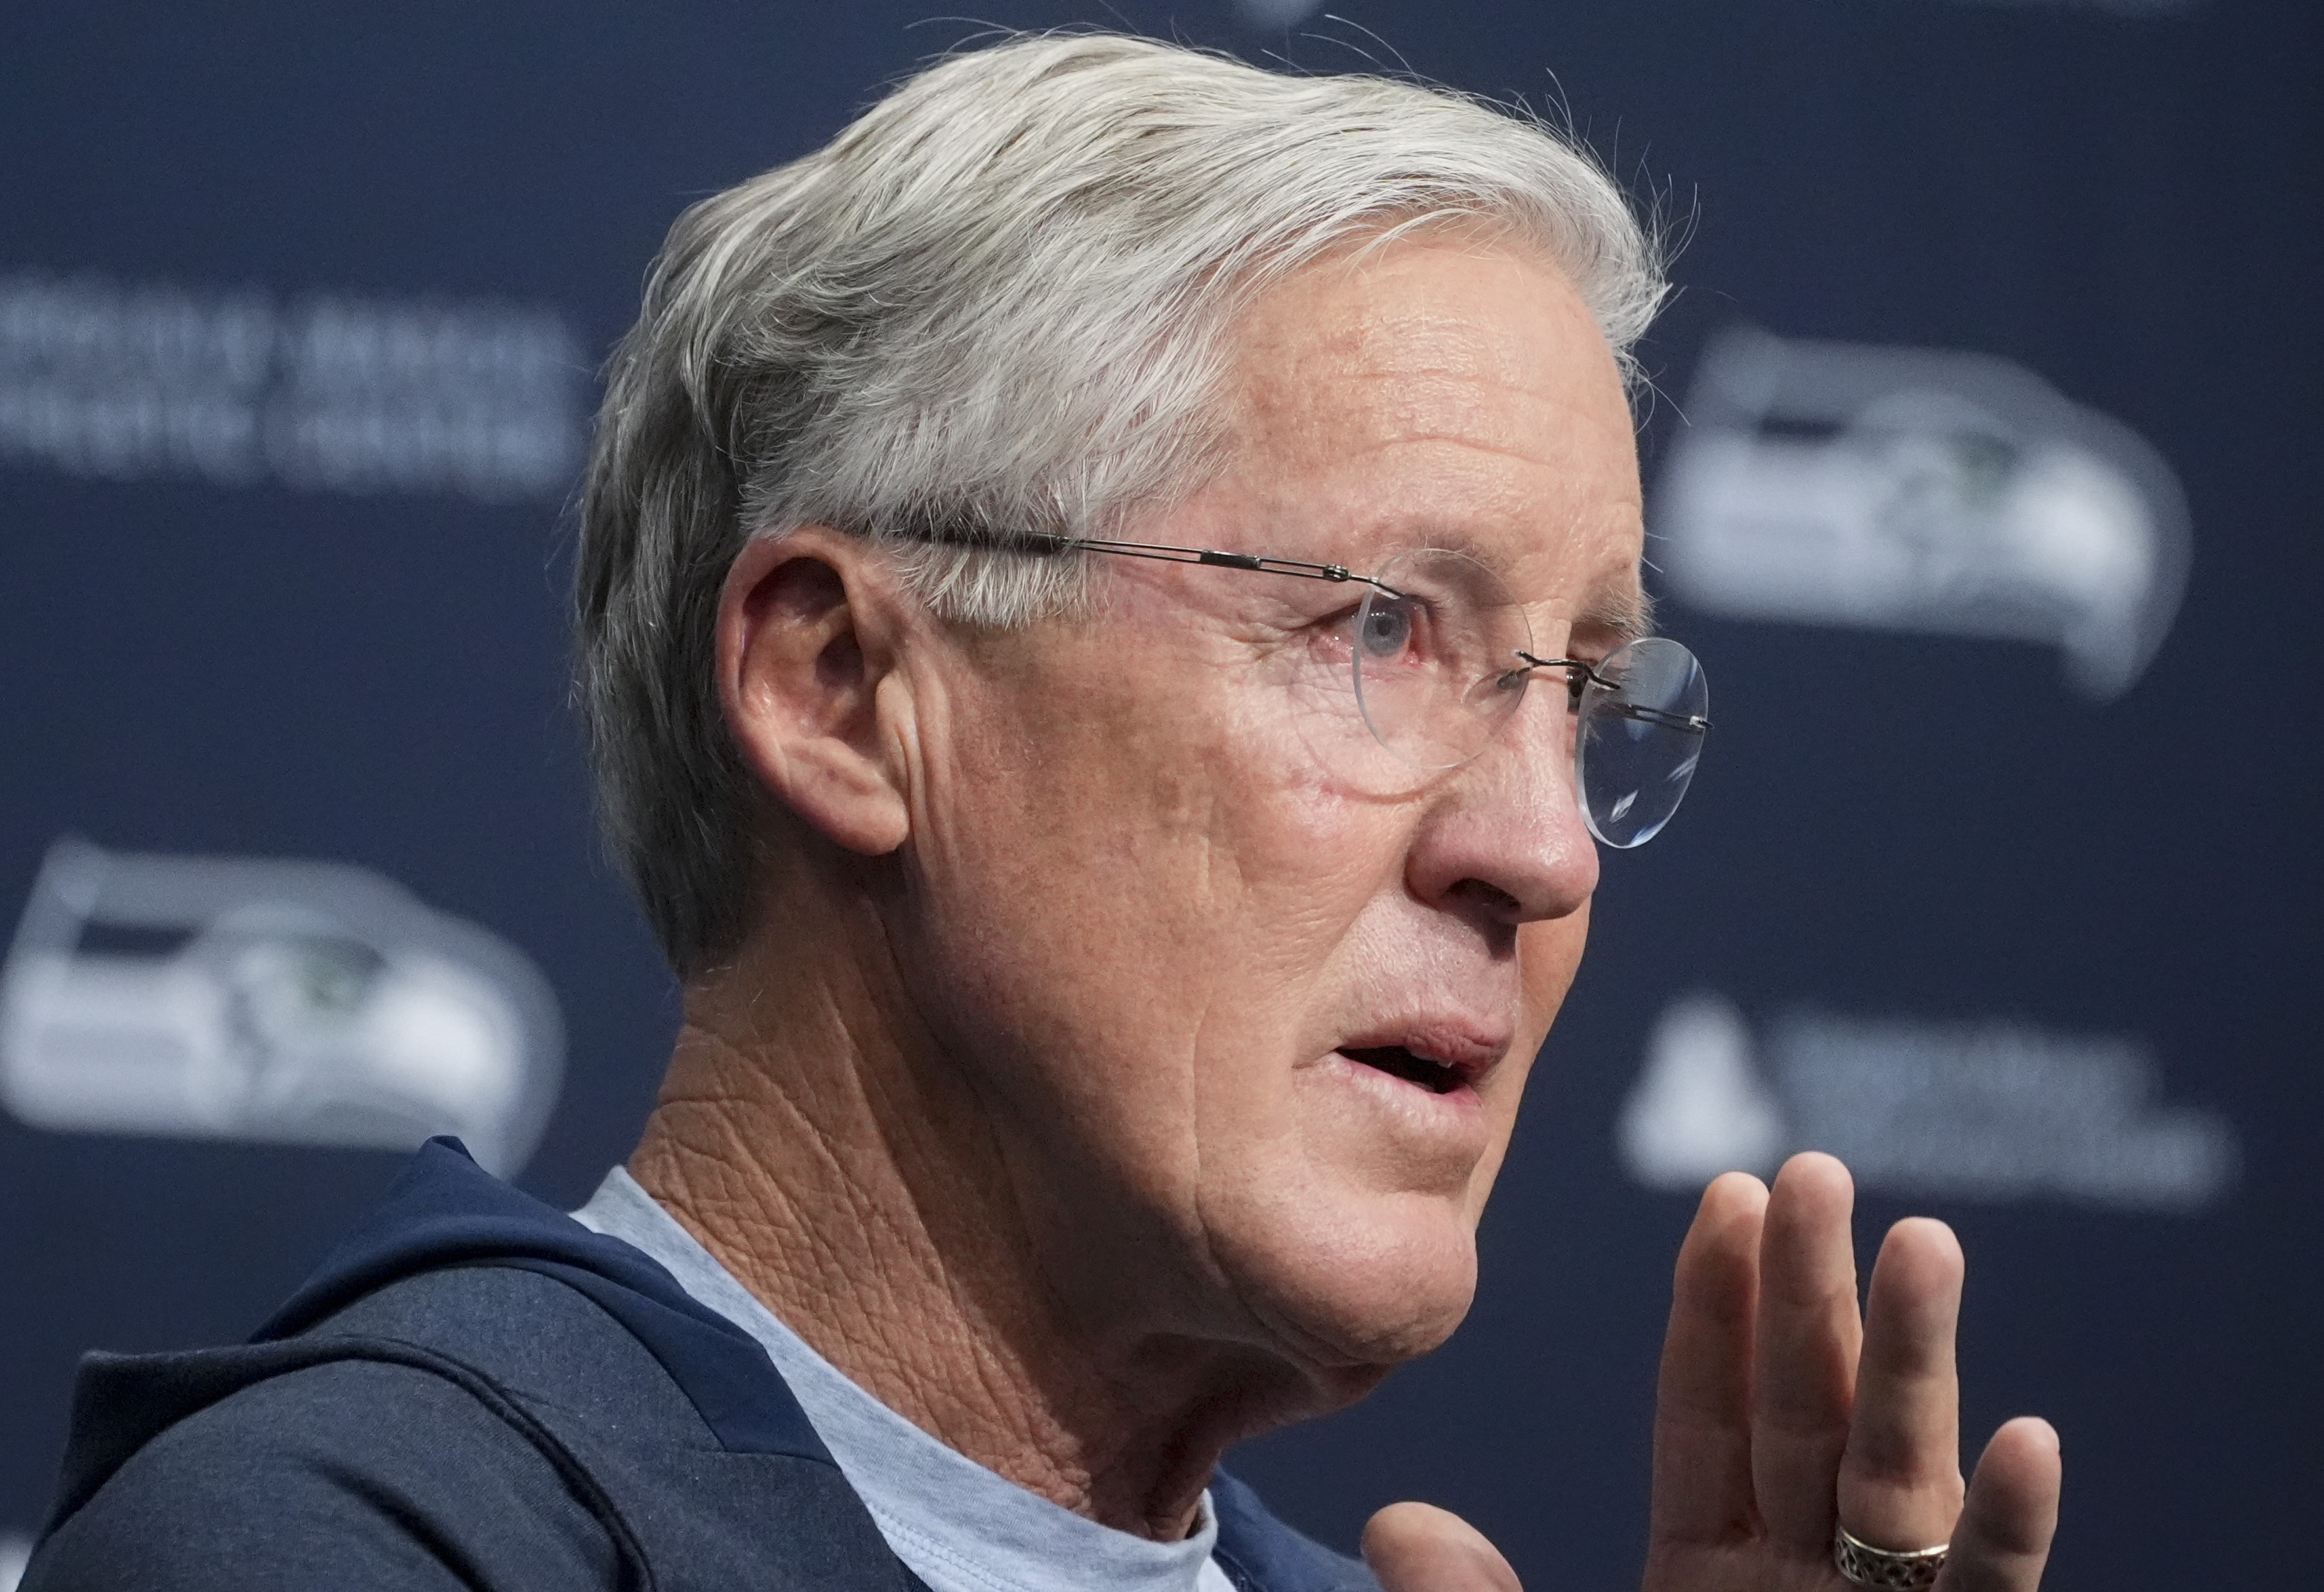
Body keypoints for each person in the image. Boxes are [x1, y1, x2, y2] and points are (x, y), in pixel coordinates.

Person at [22, 31, 2060, 1592]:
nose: (1536, 850)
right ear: (844, 693)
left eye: (1586, 690)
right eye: (1374, 626)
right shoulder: (350, 1538)